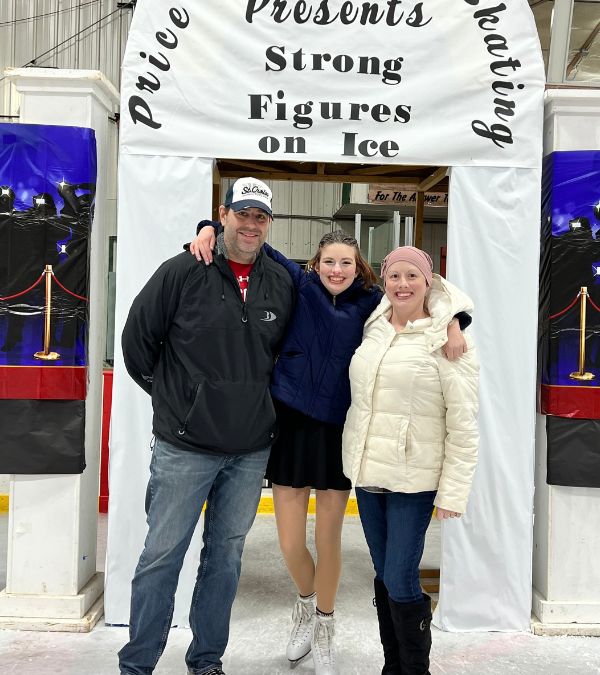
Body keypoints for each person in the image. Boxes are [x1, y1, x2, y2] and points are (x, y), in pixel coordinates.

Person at [191, 224, 471, 675]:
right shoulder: (299, 285)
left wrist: (456, 319)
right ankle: (306, 602)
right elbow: (254, 243)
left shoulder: (371, 304)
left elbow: (425, 294)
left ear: (357, 267)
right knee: (287, 541)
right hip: (291, 424)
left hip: (340, 432)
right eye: (328, 262)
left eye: (345, 262)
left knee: (328, 539)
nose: (336, 270)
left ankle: (324, 623)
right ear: (315, 265)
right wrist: (207, 229)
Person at [119, 177, 294, 675]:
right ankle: (137, 664)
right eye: (243, 214)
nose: (251, 224)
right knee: (161, 556)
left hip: (249, 449)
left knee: (225, 560)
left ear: (269, 224)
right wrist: (179, 401)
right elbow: (137, 343)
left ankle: (206, 660)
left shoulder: (279, 281)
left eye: (261, 217)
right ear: (223, 214)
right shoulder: (182, 271)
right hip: (184, 446)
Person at [342, 246, 479, 675]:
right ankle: (393, 666)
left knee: (400, 579)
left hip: (413, 482)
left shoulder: (448, 341)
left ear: (429, 281)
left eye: (412, 277)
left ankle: (415, 669)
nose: (402, 284)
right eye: (394, 276)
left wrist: (454, 489)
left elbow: (464, 423)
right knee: (384, 576)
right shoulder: (374, 325)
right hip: (368, 474)